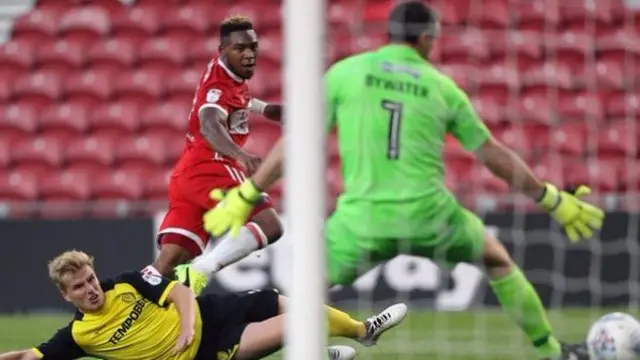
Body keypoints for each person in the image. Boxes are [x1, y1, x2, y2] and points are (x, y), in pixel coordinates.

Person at [197, 2, 604, 360]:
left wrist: (248, 193)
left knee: (302, 293)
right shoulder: (442, 87)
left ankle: (294, 352)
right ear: (426, 39)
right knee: (497, 261)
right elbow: (492, 154)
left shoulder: (346, 73)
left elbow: (299, 140)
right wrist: (551, 198)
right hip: (432, 214)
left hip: (360, 222)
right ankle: (553, 352)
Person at [0, 250, 408, 360]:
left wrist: (187, 324)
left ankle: (362, 332)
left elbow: (177, 292)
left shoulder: (125, 284)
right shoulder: (79, 336)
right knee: (299, 321)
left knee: (283, 302)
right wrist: (190, 336)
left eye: (90, 278)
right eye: (79, 287)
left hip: (208, 315)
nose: (91, 289)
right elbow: (26, 356)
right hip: (206, 351)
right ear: (65, 296)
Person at [153, 15, 287, 294]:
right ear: (222, 50)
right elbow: (210, 124)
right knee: (270, 225)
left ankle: (126, 309)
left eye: (253, 47)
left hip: (187, 172)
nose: (249, 55)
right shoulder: (217, 85)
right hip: (211, 167)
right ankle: (202, 269)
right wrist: (240, 154)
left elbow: (237, 98)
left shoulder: (227, 74)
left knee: (166, 266)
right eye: (240, 49)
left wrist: (267, 110)